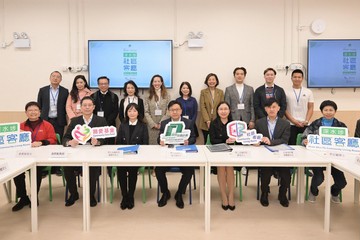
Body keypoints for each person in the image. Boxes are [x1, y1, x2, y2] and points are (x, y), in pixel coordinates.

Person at [62, 96, 108, 207]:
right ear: (80, 107)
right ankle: (73, 194)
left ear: (94, 107)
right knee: (67, 167)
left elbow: (107, 139)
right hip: (77, 153)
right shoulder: (74, 121)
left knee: (92, 169)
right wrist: (70, 142)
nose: (87, 107)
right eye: (84, 105)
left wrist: (98, 142)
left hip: (94, 154)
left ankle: (91, 194)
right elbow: (65, 138)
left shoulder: (101, 120)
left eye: (89, 105)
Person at [12, 101, 57, 211]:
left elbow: (53, 140)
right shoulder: (21, 126)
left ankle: (34, 196)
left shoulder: (47, 125)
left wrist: (41, 142)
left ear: (40, 112)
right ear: (26, 112)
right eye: (30, 110)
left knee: (36, 170)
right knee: (17, 172)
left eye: (35, 110)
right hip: (24, 157)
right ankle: (23, 198)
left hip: (40, 157)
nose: (33, 112)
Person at [302, 100, 347, 203]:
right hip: (317, 157)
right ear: (322, 111)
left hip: (335, 159)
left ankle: (334, 192)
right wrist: (305, 141)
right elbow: (305, 136)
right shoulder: (315, 124)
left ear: (335, 111)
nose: (328, 112)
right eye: (325, 110)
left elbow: (345, 142)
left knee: (342, 182)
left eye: (331, 110)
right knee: (318, 178)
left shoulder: (341, 126)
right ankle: (313, 191)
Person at [156, 100, 196, 209]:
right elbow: (158, 138)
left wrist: (189, 142)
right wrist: (161, 141)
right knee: (158, 170)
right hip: (167, 154)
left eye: (177, 109)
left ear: (181, 111)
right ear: (168, 111)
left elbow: (193, 137)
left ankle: (179, 193)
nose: (175, 112)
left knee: (189, 171)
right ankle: (165, 192)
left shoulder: (188, 122)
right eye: (172, 110)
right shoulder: (164, 123)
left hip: (183, 153)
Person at [255, 98, 291, 207]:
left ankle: (282, 194)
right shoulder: (259, 122)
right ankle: (264, 193)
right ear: (265, 109)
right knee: (265, 173)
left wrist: (271, 142)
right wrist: (256, 142)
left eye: (274, 107)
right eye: (269, 107)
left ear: (278, 108)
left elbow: (285, 140)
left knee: (286, 175)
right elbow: (257, 138)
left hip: (281, 155)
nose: (271, 109)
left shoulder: (285, 123)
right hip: (265, 155)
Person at [116, 103, 149, 210]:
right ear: (126, 113)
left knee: (132, 170)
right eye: (129, 111)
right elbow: (119, 143)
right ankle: (124, 196)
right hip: (123, 157)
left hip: (136, 157)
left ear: (138, 112)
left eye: (134, 111)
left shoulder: (143, 126)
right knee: (121, 169)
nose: (132, 113)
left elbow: (145, 144)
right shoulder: (123, 125)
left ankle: (131, 196)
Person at [209, 101, 236, 211]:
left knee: (229, 167)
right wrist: (225, 140)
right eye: (221, 109)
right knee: (221, 167)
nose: (223, 111)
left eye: (226, 109)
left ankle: (231, 195)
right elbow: (213, 140)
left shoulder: (234, 123)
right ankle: (223, 195)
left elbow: (240, 139)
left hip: (232, 152)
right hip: (218, 151)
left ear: (229, 111)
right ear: (217, 111)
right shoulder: (214, 123)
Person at [285, 69, 314, 145]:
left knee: (304, 145)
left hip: (305, 124)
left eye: (299, 77)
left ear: (302, 78)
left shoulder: (308, 92)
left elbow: (310, 108)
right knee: (292, 145)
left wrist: (306, 121)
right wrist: (294, 121)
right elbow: (284, 109)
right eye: (295, 77)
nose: (297, 79)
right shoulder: (286, 91)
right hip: (291, 124)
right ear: (291, 78)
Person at [37, 71, 69, 140]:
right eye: (53, 76)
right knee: (45, 138)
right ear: (50, 78)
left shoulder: (65, 91)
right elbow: (39, 105)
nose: (55, 78)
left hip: (59, 120)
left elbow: (66, 106)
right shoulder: (43, 90)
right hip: (46, 119)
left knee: (58, 139)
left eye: (58, 77)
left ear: (61, 79)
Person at [91, 76, 119, 145]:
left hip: (110, 126)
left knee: (110, 145)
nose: (103, 85)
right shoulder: (93, 96)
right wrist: (98, 123)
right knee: (97, 145)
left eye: (105, 83)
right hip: (96, 126)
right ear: (98, 85)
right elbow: (91, 111)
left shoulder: (114, 96)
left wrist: (106, 123)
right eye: (101, 84)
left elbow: (115, 111)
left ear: (108, 84)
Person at [144, 74, 170, 145]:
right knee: (152, 145)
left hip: (163, 124)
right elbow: (146, 112)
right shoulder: (147, 95)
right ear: (152, 83)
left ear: (161, 83)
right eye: (155, 81)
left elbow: (168, 110)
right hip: (152, 126)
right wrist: (153, 124)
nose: (157, 83)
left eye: (158, 81)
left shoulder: (167, 94)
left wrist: (161, 123)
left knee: (163, 145)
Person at [199, 73, 224, 143]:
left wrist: (217, 119)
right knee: (206, 141)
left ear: (216, 81)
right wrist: (207, 120)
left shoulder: (221, 92)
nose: (211, 81)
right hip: (205, 121)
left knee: (216, 141)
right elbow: (202, 106)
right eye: (209, 79)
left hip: (217, 121)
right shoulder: (203, 92)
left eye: (213, 79)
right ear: (207, 81)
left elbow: (222, 106)